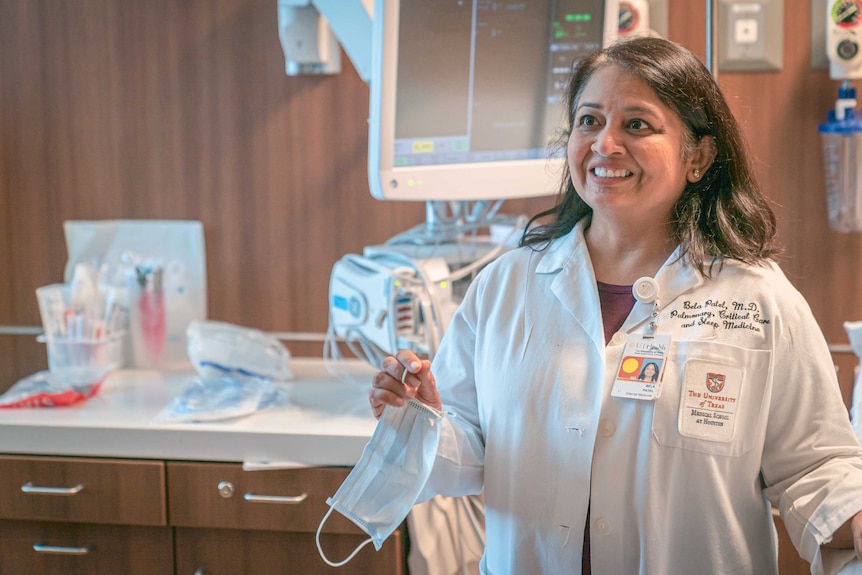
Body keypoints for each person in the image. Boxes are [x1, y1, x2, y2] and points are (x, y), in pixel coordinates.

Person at [370, 36, 862, 574]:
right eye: (588, 121)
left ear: (698, 155)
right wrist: (417, 420)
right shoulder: (507, 286)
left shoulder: (758, 300)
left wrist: (853, 518)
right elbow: (469, 448)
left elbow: (816, 468)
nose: (605, 144)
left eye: (637, 125)